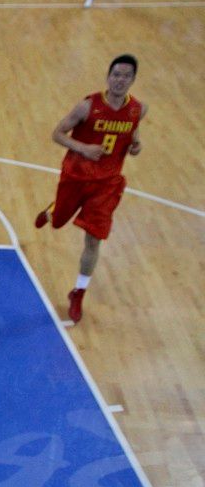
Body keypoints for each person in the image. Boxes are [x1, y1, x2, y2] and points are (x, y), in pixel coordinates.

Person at [35, 54, 147, 323]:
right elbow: (57, 134)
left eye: (126, 76)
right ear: (108, 77)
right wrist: (83, 148)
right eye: (116, 75)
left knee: (94, 238)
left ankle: (78, 292)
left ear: (133, 79)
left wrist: (136, 146)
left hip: (107, 183)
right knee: (60, 221)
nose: (120, 80)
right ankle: (52, 211)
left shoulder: (138, 109)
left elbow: (133, 135)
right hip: (76, 176)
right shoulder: (87, 106)